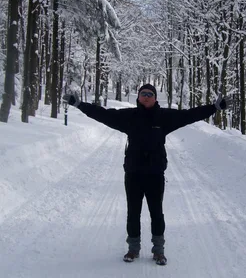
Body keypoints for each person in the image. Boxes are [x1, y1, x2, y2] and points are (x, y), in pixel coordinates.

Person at [63, 84, 229, 266]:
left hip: (155, 174)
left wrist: (214, 107)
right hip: (133, 173)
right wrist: (79, 104)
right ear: (139, 98)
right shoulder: (129, 117)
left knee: (156, 213)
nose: (147, 97)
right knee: (133, 212)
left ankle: (158, 251)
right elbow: (103, 114)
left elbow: (189, 115)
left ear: (155, 98)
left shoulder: (164, 117)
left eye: (150, 94)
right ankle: (133, 249)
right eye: (143, 94)